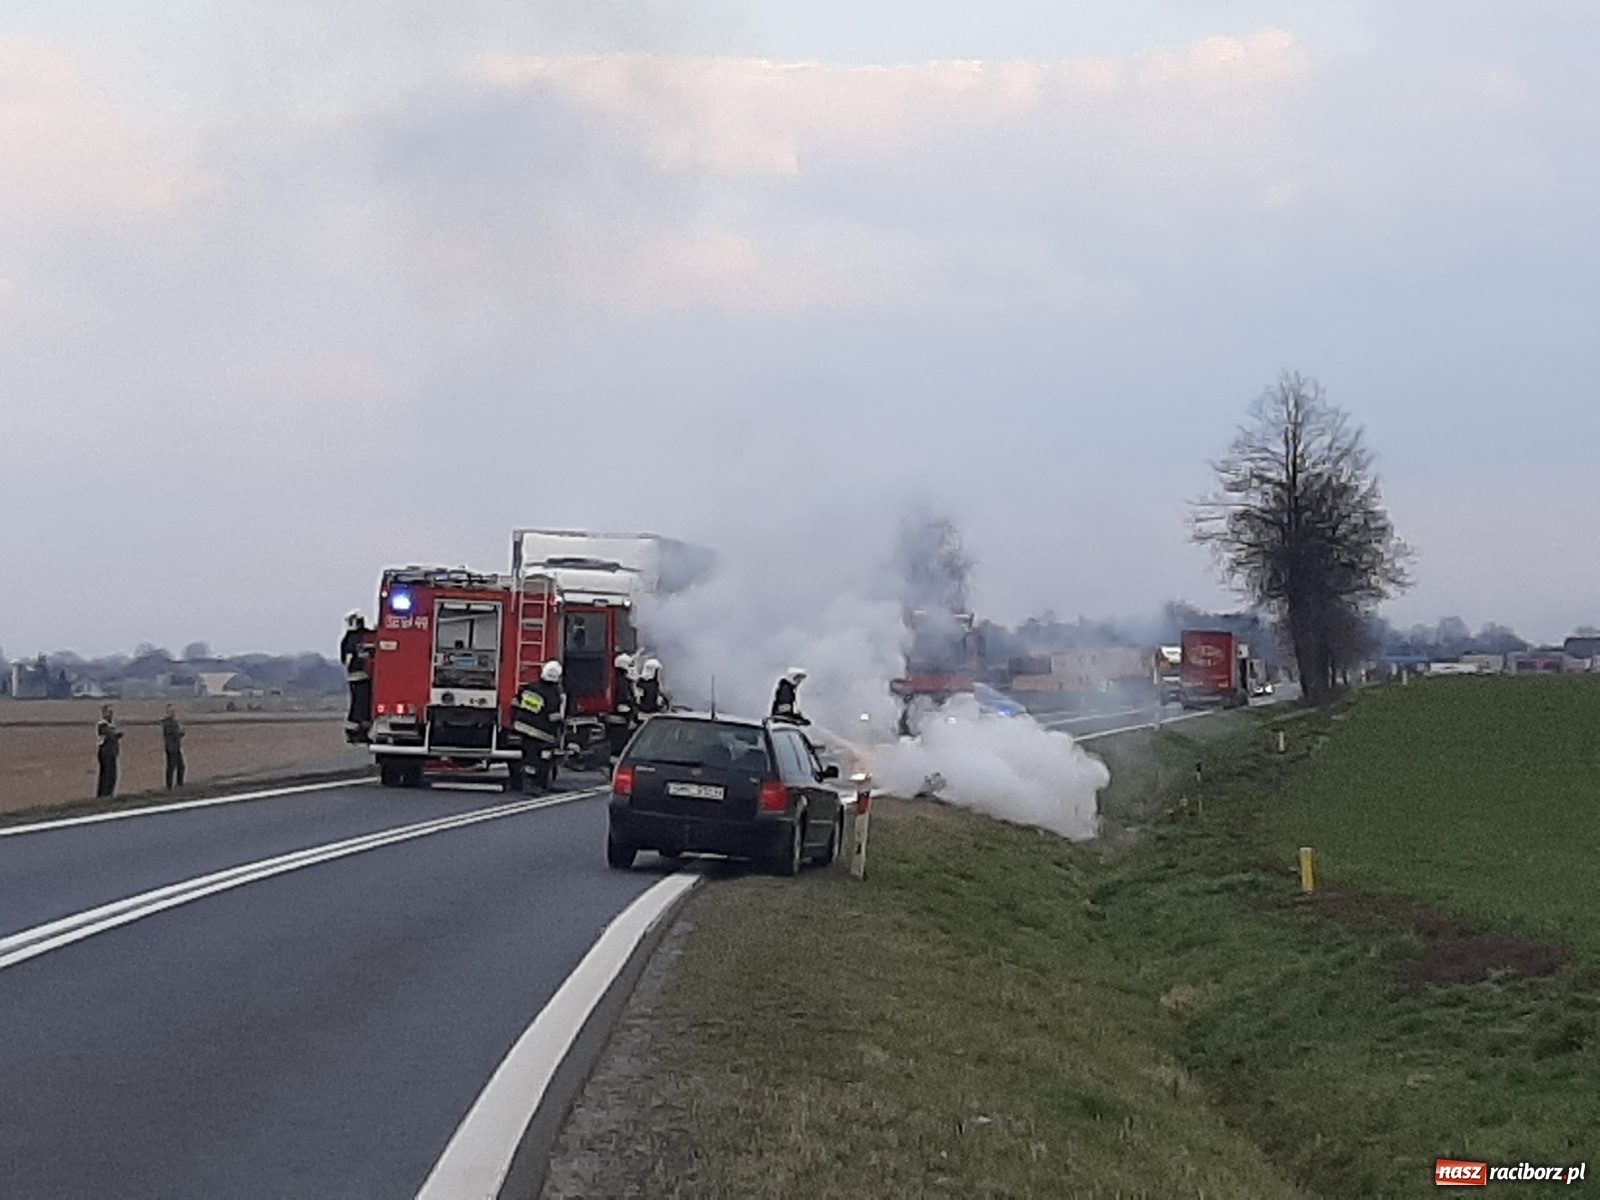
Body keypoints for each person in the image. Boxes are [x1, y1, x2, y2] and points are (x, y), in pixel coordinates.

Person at [513, 661, 566, 791]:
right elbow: (554, 716)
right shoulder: (554, 694)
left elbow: (516, 702)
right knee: (540, 757)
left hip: (522, 727)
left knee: (531, 756)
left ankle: (534, 783)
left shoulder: (529, 687)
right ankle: (534, 784)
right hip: (541, 732)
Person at [340, 611, 373, 744]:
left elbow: (345, 659)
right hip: (362, 677)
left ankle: (357, 730)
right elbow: (348, 659)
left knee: (359, 706)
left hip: (358, 677)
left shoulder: (348, 639)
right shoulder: (358, 637)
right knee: (361, 706)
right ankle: (357, 731)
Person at [605, 652, 639, 760]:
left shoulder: (616, 679)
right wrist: (632, 714)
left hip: (617, 719)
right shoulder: (622, 682)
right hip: (620, 721)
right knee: (619, 746)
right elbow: (623, 701)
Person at [95, 705, 122, 798]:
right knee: (107, 774)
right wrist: (117, 735)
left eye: (111, 712)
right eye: (108, 712)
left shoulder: (111, 724)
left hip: (112, 752)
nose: (110, 714)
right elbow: (111, 735)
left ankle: (108, 793)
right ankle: (105, 794)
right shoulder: (102, 724)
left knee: (111, 774)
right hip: (106, 751)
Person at [160, 704, 186, 790]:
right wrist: (180, 731)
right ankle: (170, 786)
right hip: (171, 747)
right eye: (171, 711)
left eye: (173, 711)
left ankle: (179, 784)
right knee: (172, 767)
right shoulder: (167, 723)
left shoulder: (173, 722)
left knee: (181, 766)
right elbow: (175, 733)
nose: (173, 713)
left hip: (176, 746)